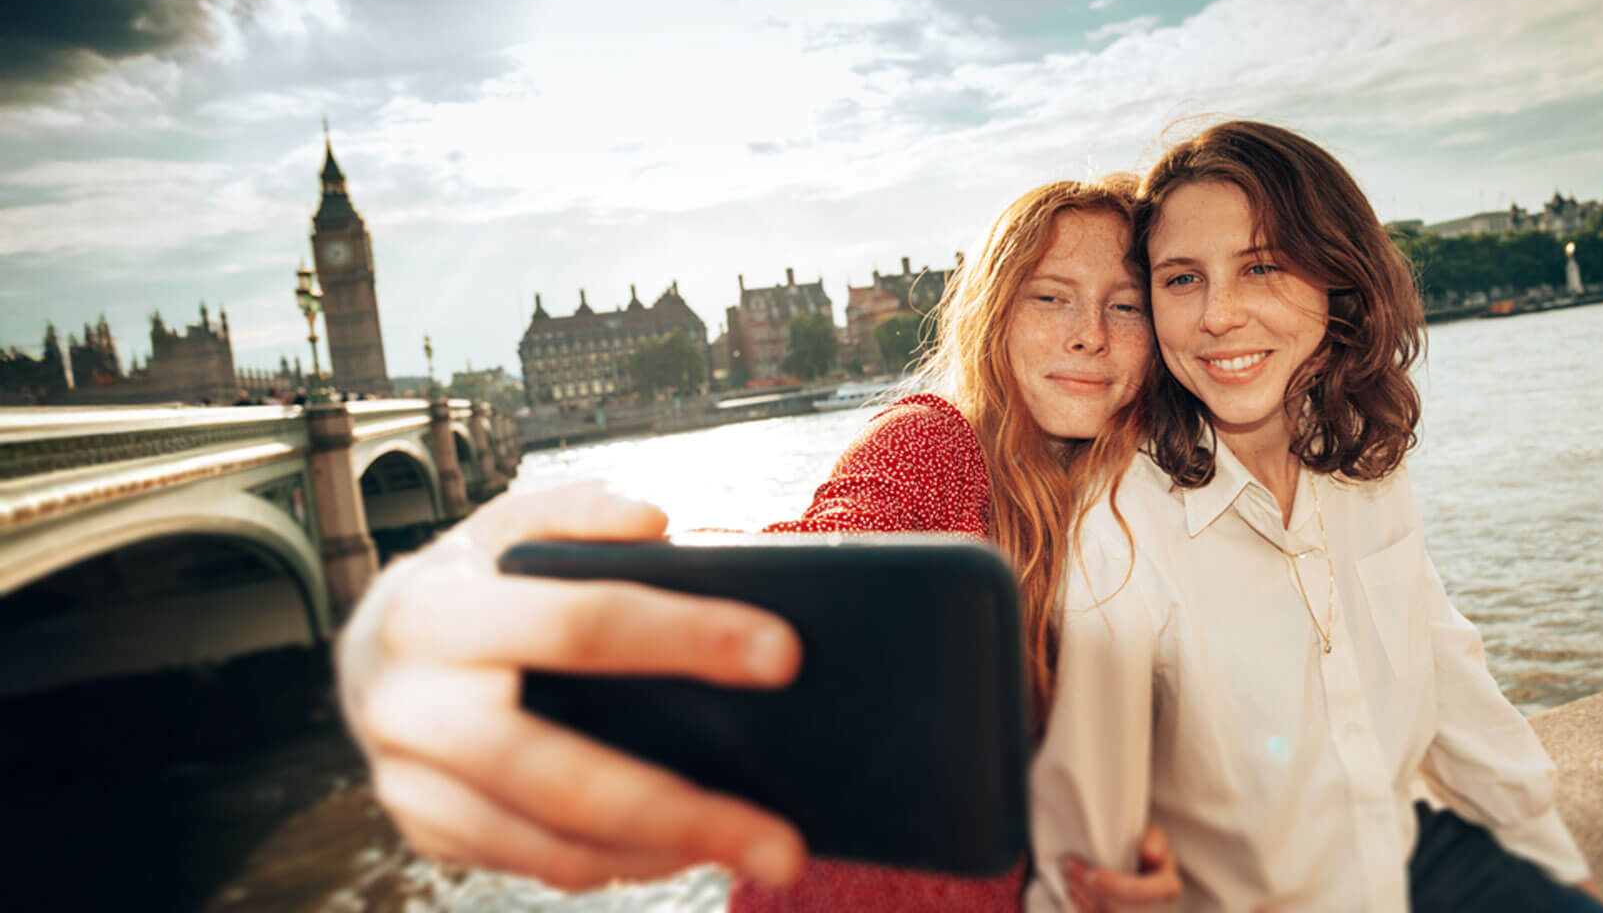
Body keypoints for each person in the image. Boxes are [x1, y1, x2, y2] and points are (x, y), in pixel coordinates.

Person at [336, 177, 1182, 909]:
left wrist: (1143, 856)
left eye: (1125, 306)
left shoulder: (1138, 502)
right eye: (1051, 297)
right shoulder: (935, 446)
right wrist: (525, 637)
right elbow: (817, 561)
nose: (1090, 333)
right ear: (994, 314)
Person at [1027, 121, 1603, 912]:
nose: (1219, 315)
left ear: (1337, 275)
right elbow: (1084, 830)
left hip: (1415, 858)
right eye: (1183, 278)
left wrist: (1553, 862)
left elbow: (1444, 666)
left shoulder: (1364, 454)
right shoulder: (1118, 527)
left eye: (1261, 266)